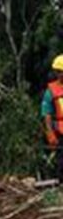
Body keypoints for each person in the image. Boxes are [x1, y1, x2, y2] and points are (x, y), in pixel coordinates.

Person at [42, 54, 63, 182]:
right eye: (59, 72)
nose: (60, 74)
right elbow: (47, 113)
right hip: (61, 129)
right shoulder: (51, 91)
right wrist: (50, 133)